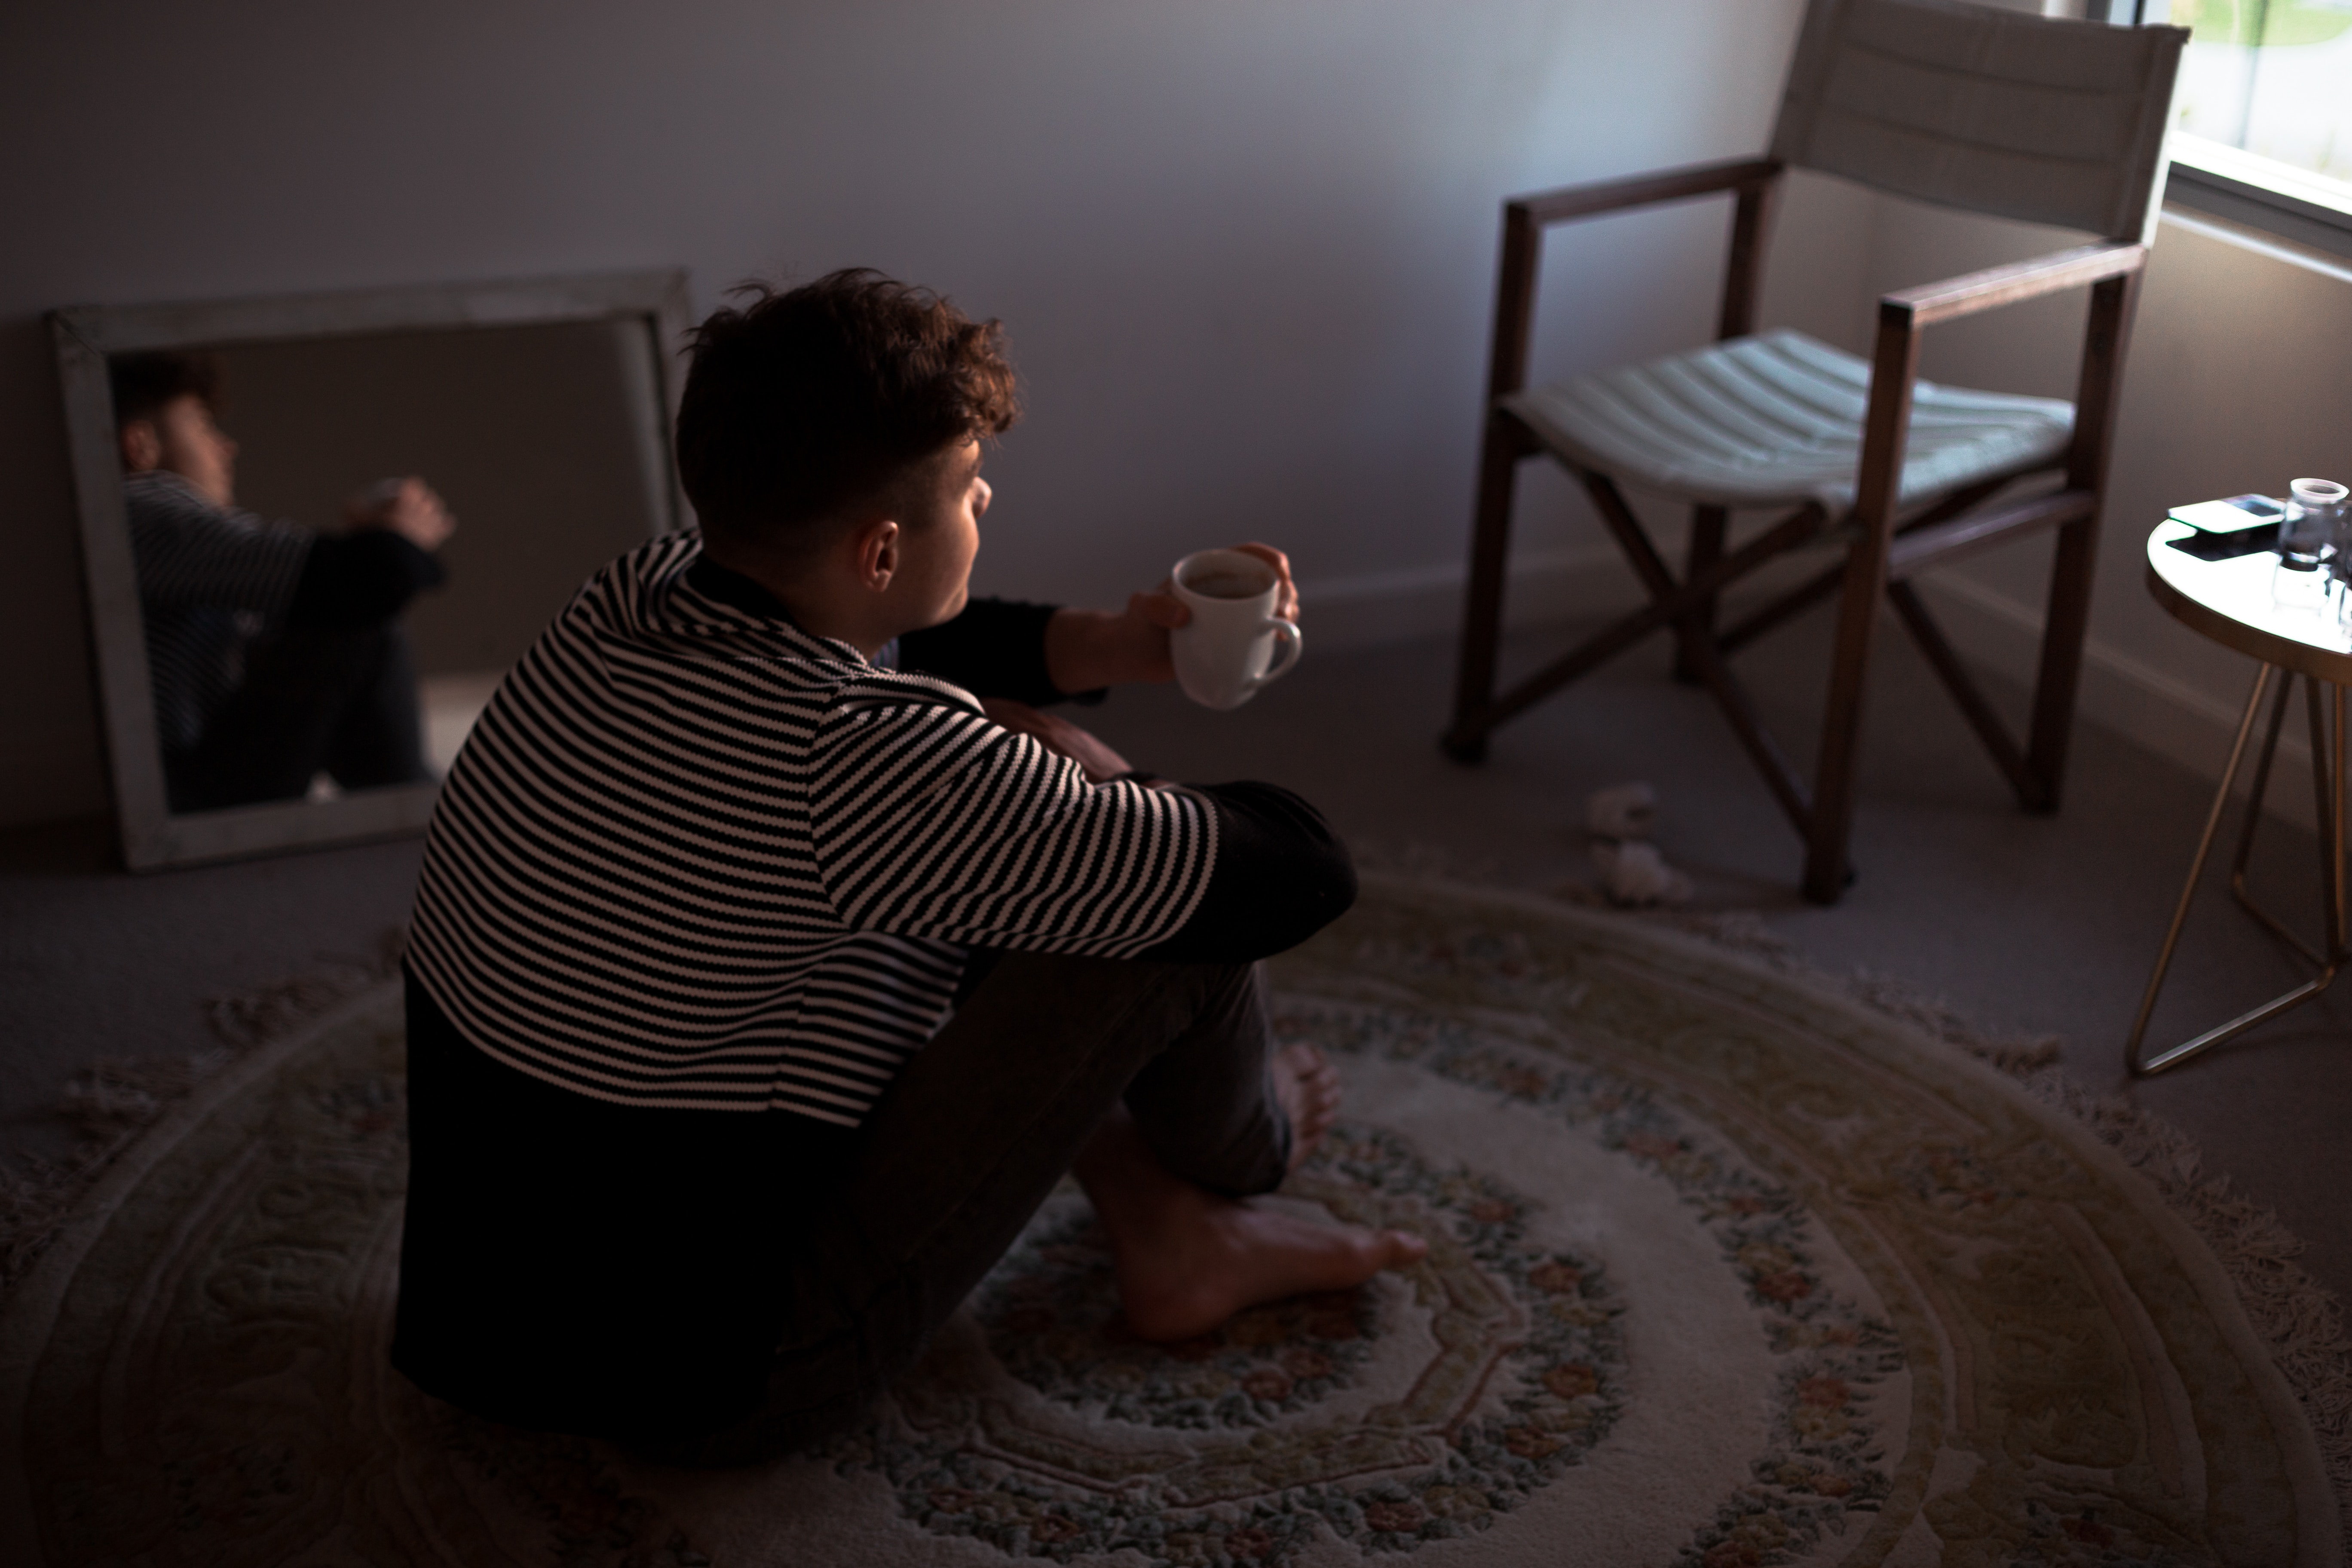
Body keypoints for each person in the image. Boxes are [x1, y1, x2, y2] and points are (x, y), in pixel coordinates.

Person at [390, 269, 1426, 1465]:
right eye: (971, 489)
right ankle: (1246, 1161)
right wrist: (1095, 782)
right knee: (1141, 916)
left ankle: (1164, 1228)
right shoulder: (859, 761)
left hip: (487, 1328)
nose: (986, 499)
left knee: (1004, 854)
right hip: (727, 1377)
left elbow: (894, 626)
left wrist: (1110, 649)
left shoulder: (629, 594)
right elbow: (1303, 870)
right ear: (883, 545)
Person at [111, 352, 456, 812]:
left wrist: (378, 550)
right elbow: (374, 578)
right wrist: (396, 537)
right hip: (185, 788)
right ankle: (432, 818)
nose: (226, 447)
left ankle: (422, 814)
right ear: (141, 447)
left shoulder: (166, 560)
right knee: (361, 623)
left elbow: (347, 590)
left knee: (350, 609)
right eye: (200, 424)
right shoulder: (139, 506)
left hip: (194, 779)